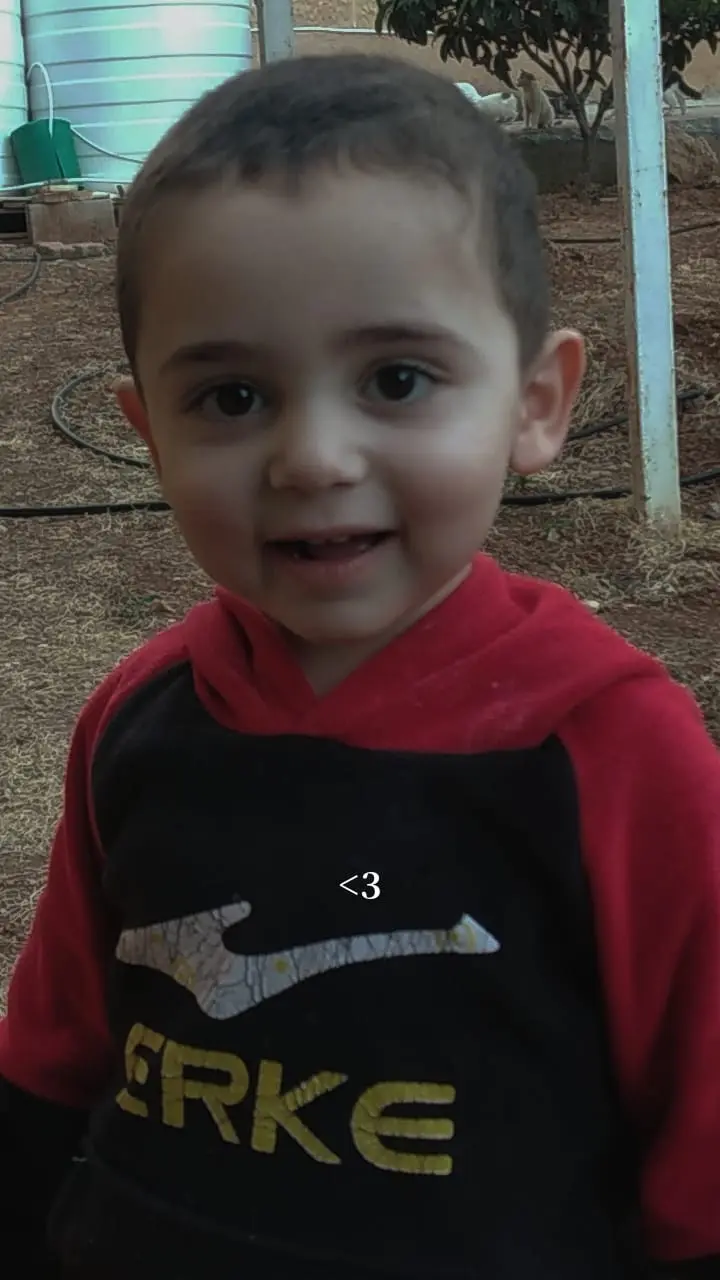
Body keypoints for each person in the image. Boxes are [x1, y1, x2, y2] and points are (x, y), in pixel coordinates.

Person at [0, 53, 718, 1280]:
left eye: (396, 379)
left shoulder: (612, 752)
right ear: (148, 435)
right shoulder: (138, 718)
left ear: (537, 402)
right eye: (233, 396)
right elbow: (48, 1066)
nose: (314, 457)